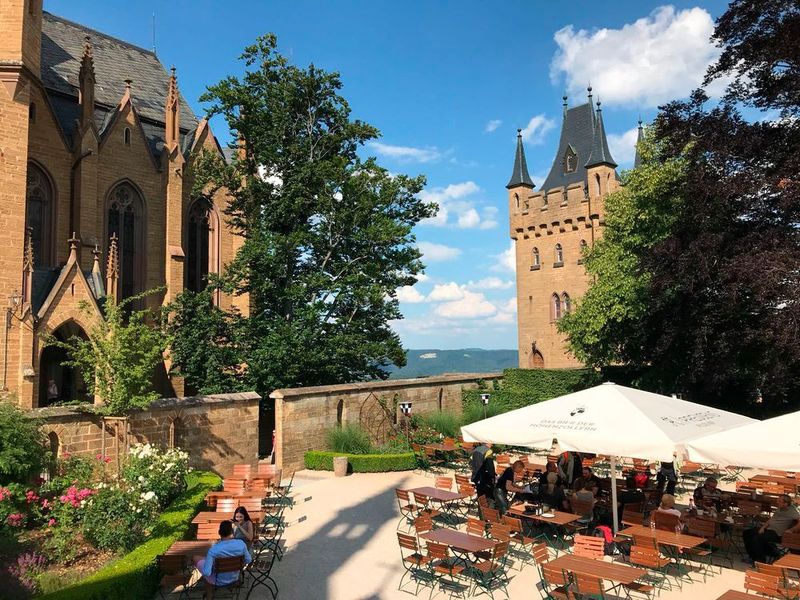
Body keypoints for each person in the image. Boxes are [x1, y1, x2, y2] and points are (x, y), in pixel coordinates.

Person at [194, 520, 251, 599]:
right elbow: (248, 560)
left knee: (196, 559)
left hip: (218, 580)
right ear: (232, 532)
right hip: (235, 577)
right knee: (205, 560)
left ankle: (209, 596)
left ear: (219, 532)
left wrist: (204, 565)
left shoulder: (214, 549)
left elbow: (207, 573)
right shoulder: (241, 544)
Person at [743, 494, 800, 565]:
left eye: (779, 501)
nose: (777, 502)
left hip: (777, 534)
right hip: (769, 530)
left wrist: (791, 530)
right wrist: (763, 527)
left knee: (758, 538)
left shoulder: (793, 511)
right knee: (747, 533)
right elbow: (771, 519)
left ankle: (761, 561)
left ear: (785, 504)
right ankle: (753, 556)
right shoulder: (780, 508)